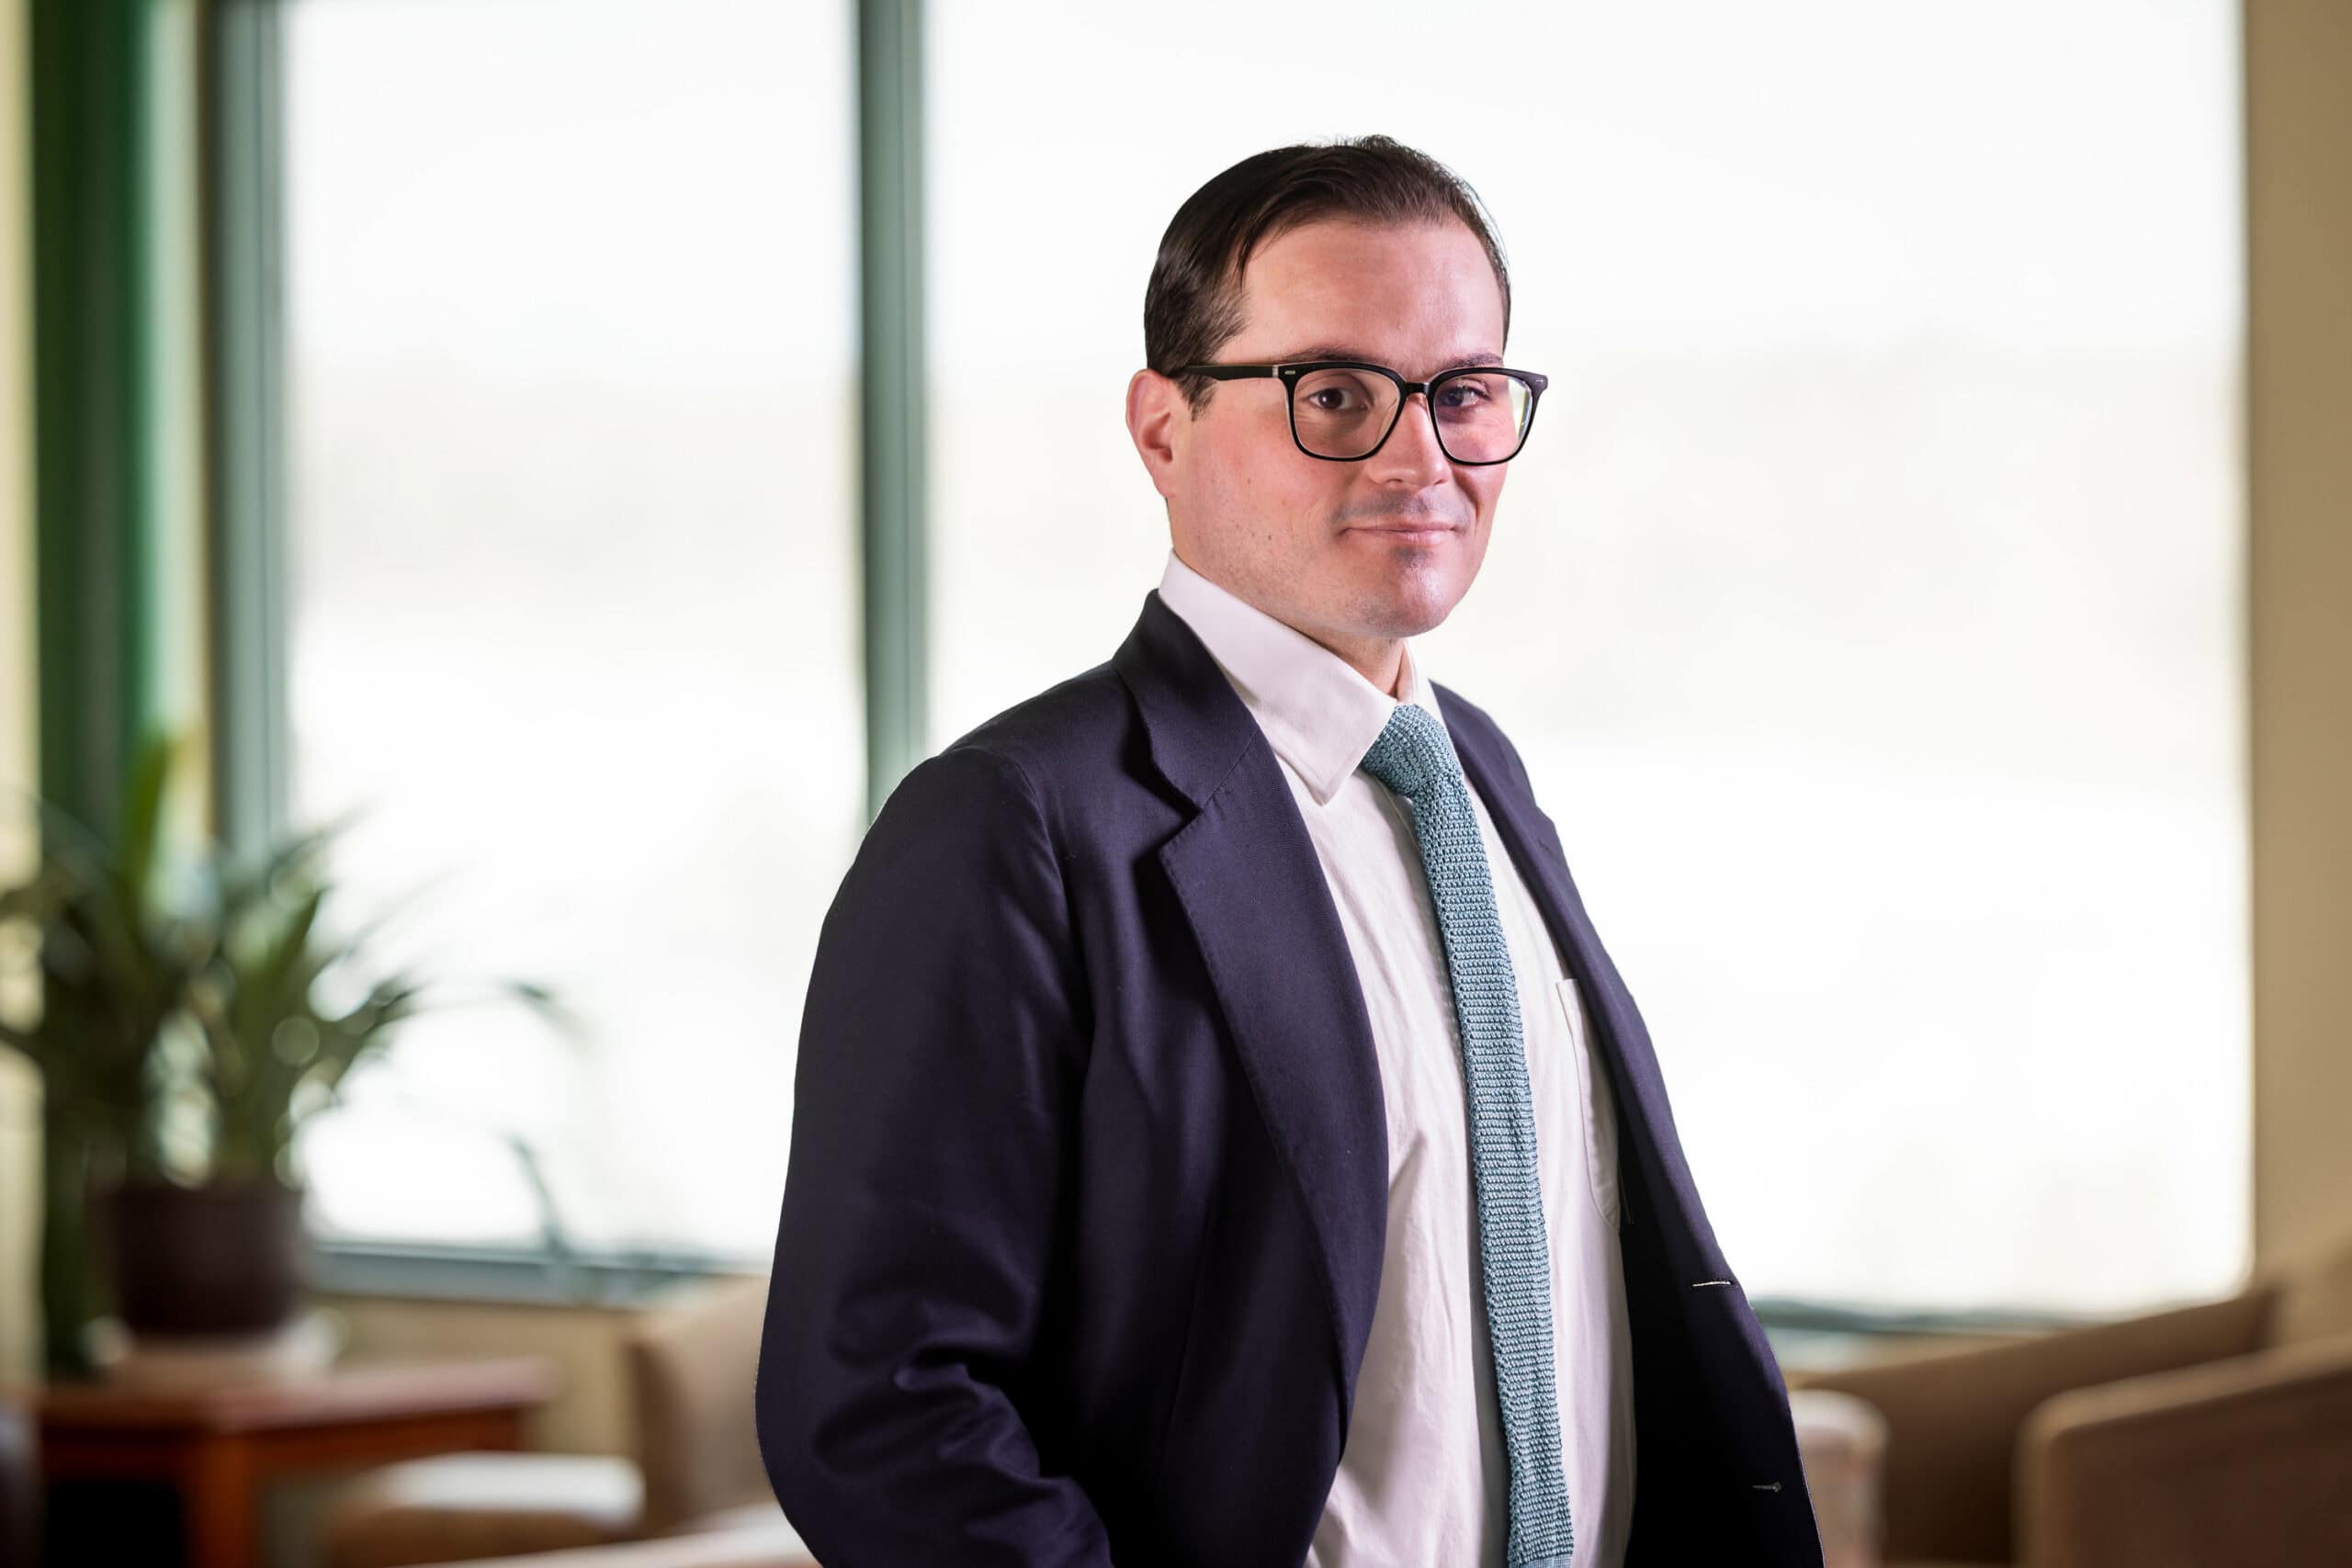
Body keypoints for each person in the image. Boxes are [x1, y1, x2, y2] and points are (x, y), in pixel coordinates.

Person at [755, 135, 1823, 1568]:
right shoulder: (1013, 829)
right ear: (1161, 428)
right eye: (1333, 394)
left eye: (1463, 394)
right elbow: (880, 1410)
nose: (1417, 455)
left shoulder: (1480, 778)